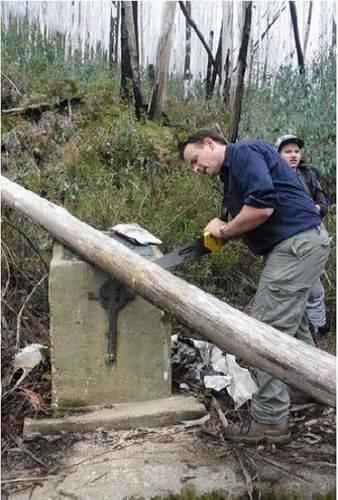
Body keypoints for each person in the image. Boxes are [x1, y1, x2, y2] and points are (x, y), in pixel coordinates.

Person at [178, 130, 330, 444]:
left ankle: (270, 420)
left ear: (209, 144)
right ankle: (312, 388)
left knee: (265, 332)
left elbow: (261, 208)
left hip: (296, 246)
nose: (196, 168)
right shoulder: (233, 174)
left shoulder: (244, 152)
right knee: (295, 328)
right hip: (297, 246)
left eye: (195, 160)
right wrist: (220, 229)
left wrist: (226, 231)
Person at [276, 134, 329, 349]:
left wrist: (315, 208)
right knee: (311, 289)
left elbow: (323, 200)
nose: (293, 155)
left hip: (314, 233)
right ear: (278, 154)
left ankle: (316, 335)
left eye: (296, 151)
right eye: (288, 151)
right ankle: (310, 336)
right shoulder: (272, 176)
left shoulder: (308, 174)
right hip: (290, 238)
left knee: (314, 289)